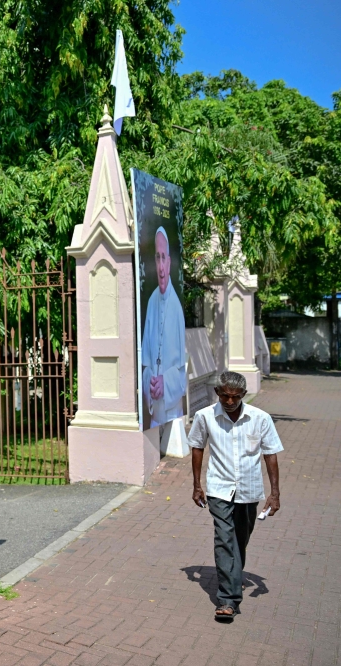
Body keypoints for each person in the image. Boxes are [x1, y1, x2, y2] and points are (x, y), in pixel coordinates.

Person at [188, 370, 282, 621]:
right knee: (224, 539)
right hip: (219, 487)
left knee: (240, 538)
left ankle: (234, 574)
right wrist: (197, 485)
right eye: (225, 396)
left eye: (236, 396)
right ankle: (228, 599)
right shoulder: (204, 416)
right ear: (217, 393)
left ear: (243, 394)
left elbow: (271, 453)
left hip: (249, 489)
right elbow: (197, 446)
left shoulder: (260, 418)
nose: (230, 402)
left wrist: (275, 493)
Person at [140, 226, 186, 427]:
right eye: (157, 258)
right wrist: (151, 381)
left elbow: (182, 369)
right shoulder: (151, 302)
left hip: (172, 412)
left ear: (169, 262)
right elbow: (146, 362)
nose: (160, 267)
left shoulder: (176, 307)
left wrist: (164, 383)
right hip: (155, 413)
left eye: (163, 258)